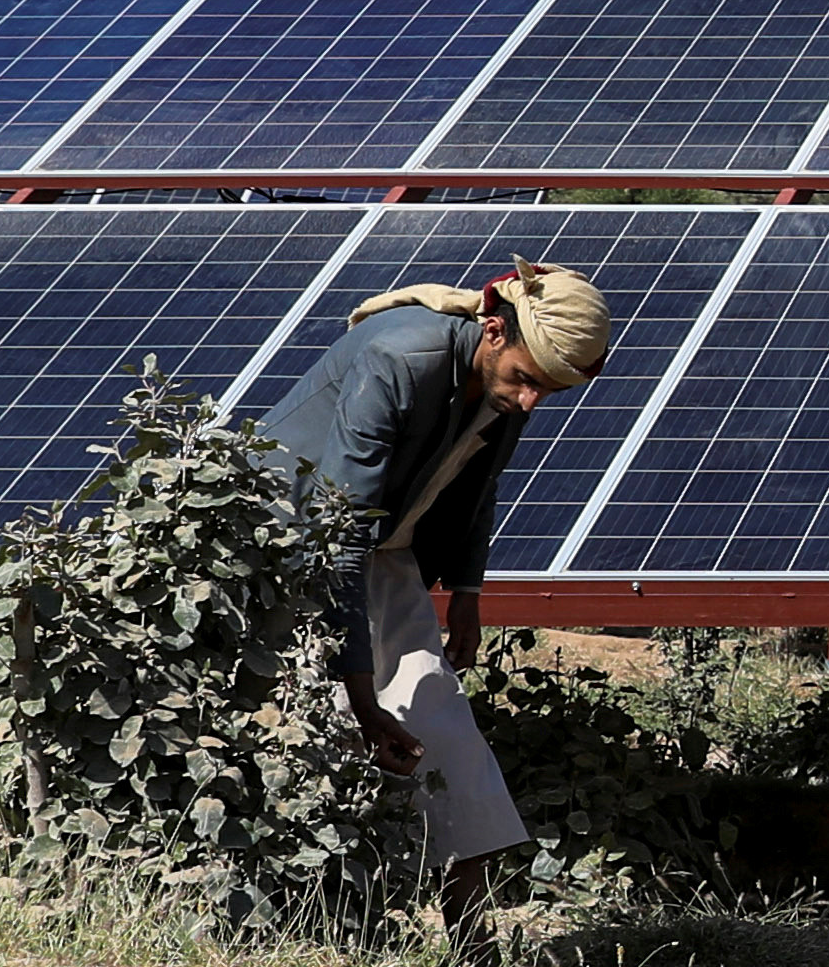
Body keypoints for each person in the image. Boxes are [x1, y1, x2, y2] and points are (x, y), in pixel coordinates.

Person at [255, 255, 615, 929]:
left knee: (440, 715)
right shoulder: (399, 359)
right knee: (325, 723)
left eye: (551, 391)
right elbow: (337, 531)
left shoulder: (507, 381)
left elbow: (478, 490)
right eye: (528, 382)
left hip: (380, 550)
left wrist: (469, 596)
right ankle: (319, 923)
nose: (532, 401)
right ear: (494, 331)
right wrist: (363, 694)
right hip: (286, 549)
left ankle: (470, 929)